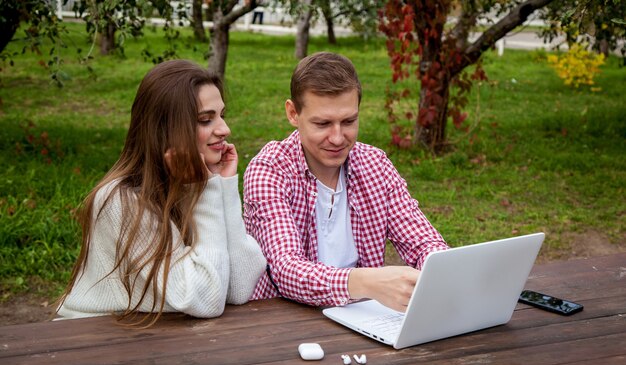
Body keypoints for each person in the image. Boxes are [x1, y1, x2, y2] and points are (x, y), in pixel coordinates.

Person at [57, 60, 266, 325]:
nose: (225, 129)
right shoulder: (120, 200)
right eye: (206, 119)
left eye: (222, 115)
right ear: (165, 129)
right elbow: (207, 299)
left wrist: (222, 187)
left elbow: (239, 288)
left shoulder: (189, 184)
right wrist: (205, 192)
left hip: (158, 332)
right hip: (95, 333)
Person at [243, 52, 448, 312]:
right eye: (323, 123)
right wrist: (366, 282)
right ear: (293, 113)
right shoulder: (270, 169)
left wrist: (442, 267)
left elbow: (422, 242)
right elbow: (285, 270)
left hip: (361, 316)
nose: (338, 138)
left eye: (349, 121)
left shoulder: (375, 163)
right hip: (284, 320)